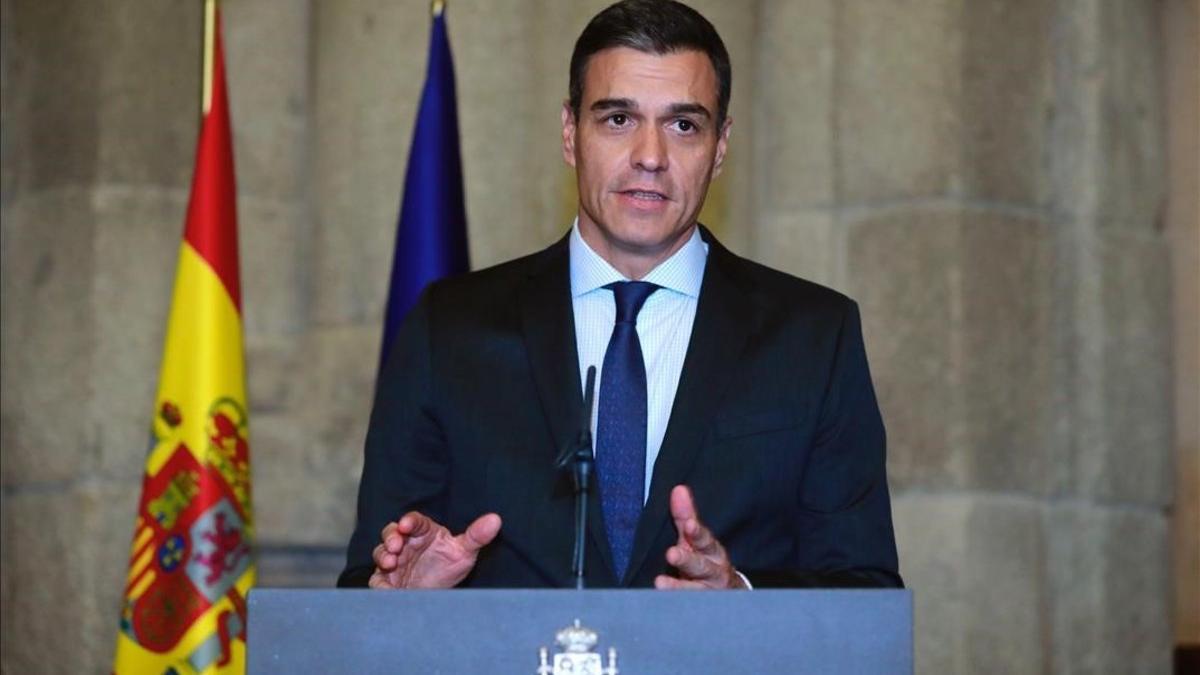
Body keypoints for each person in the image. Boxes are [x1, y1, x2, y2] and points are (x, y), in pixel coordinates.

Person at [338, 0, 901, 591]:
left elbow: (866, 591)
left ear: (721, 146)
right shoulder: (448, 329)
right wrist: (400, 599)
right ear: (569, 133)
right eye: (617, 120)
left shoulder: (813, 335)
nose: (651, 157)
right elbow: (364, 586)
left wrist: (742, 597)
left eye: (684, 124)